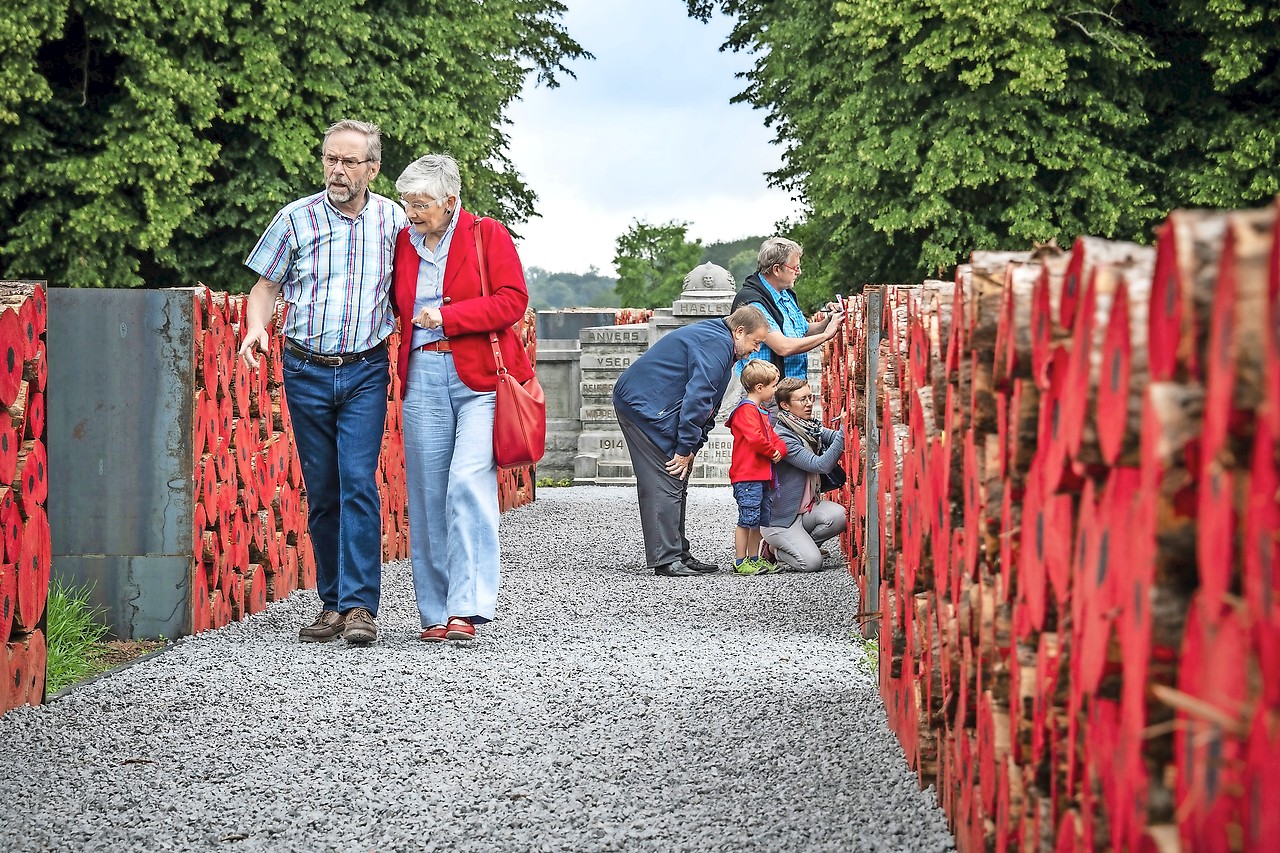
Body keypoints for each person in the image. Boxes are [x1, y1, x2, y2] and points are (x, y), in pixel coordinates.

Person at [239, 119, 406, 645]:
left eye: (349, 161)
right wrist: (253, 329)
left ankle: (361, 607)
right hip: (305, 367)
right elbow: (264, 286)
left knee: (358, 480)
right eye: (330, 158)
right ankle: (331, 604)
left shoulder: (394, 221)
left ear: (372, 169)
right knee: (324, 491)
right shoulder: (295, 219)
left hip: (365, 369)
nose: (337, 169)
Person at [389, 153, 534, 643]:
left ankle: (466, 609)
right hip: (422, 373)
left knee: (466, 483)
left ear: (450, 202)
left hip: (481, 378)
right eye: (407, 203)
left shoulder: (485, 233)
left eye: (422, 204)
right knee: (427, 495)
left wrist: (449, 318)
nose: (412, 212)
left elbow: (514, 300)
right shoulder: (402, 244)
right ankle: (434, 612)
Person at [613, 304, 772, 577]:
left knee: (677, 478)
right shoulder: (716, 344)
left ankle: (678, 552)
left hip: (652, 404)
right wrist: (685, 446)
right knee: (666, 477)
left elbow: (708, 404)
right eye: (756, 342)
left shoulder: (721, 342)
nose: (756, 349)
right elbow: (698, 398)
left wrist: (693, 446)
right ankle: (666, 558)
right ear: (740, 331)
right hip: (643, 407)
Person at [762, 377, 847, 573]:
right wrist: (844, 429)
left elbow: (834, 437)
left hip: (805, 511)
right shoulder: (783, 436)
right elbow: (821, 465)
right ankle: (776, 550)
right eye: (802, 400)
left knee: (840, 516)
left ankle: (802, 545)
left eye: (811, 397)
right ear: (785, 405)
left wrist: (848, 425)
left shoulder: (808, 427)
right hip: (780, 520)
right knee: (812, 564)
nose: (809, 404)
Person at [730, 236, 843, 383]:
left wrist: (830, 319)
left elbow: (804, 330)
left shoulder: (786, 294)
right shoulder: (754, 302)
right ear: (777, 269)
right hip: (765, 392)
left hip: (789, 389)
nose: (799, 272)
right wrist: (826, 335)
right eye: (795, 267)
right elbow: (783, 347)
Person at [726, 359, 787, 575]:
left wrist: (781, 450)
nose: (775, 390)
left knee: (759, 520)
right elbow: (756, 438)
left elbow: (772, 436)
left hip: (760, 474)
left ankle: (753, 558)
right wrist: (773, 452)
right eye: (773, 386)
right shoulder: (746, 411)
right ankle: (740, 561)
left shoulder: (760, 411)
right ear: (760, 388)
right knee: (746, 519)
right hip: (748, 475)